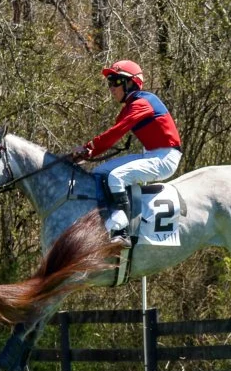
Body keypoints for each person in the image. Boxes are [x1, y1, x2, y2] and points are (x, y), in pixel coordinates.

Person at [67, 60, 183, 245]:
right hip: (153, 155)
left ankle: (121, 232)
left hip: (165, 158)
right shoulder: (130, 107)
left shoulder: (143, 102)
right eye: (109, 83)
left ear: (131, 83)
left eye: (116, 81)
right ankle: (106, 218)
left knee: (116, 176)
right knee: (100, 173)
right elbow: (112, 136)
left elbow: (114, 134)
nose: (111, 87)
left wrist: (88, 149)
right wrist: (86, 152)